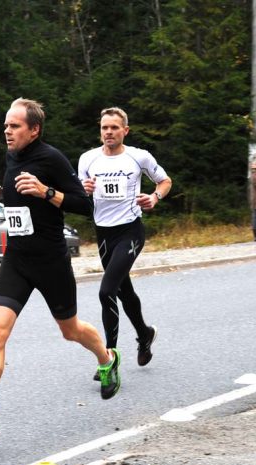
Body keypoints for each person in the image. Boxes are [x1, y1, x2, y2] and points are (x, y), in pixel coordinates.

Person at [0, 98, 120, 446]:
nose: (7, 131)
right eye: (6, 126)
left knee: (70, 330)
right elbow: (16, 197)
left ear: (34, 130)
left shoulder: (52, 158)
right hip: (16, 258)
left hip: (50, 261)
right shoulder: (13, 156)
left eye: (14, 126)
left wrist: (47, 192)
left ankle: (107, 358)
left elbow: (84, 205)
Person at [78, 107, 172, 378]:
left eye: (114, 128)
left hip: (130, 232)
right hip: (103, 234)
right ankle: (145, 334)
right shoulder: (88, 159)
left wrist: (154, 197)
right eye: (104, 127)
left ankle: (109, 357)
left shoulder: (139, 157)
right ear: (100, 130)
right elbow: (80, 193)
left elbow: (165, 181)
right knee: (123, 291)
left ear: (125, 131)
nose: (109, 132)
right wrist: (83, 190)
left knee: (106, 290)